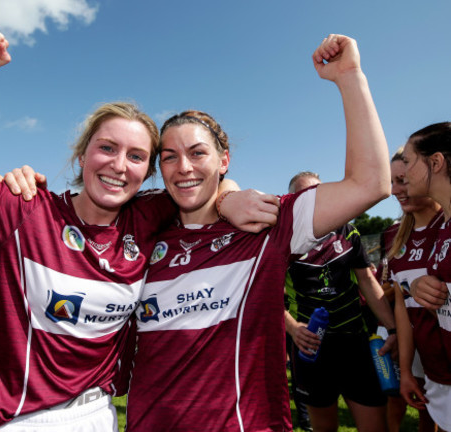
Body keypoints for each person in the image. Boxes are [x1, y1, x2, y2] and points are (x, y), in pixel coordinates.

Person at [0, 18, 277, 431]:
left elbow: (198, 182)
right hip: (18, 420)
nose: (119, 166)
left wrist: (229, 195)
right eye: (106, 148)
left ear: (148, 173)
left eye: (137, 156)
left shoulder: (149, 214)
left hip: (98, 414)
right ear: (80, 155)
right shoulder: (23, 208)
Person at [124, 33, 390, 431]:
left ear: (224, 160)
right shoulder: (139, 230)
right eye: (169, 157)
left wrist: (350, 77)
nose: (183, 167)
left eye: (198, 153)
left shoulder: (268, 221)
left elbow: (370, 184)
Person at [284, 172, 397, 432]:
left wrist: (392, 328)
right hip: (311, 347)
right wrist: (292, 328)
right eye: (304, 195)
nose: (313, 200)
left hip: (354, 343)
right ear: (293, 200)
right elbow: (268, 295)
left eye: (318, 192)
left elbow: (367, 282)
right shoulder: (283, 239)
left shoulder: (348, 231)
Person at [380, 147, 438, 432]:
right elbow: (402, 304)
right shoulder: (395, 236)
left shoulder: (445, 227)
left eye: (402, 180)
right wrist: (404, 369)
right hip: (422, 361)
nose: (394, 190)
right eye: (391, 182)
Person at [400, 122, 451, 432]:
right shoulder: (444, 223)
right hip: (441, 376)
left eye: (408, 161)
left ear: (435, 163)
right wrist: (418, 286)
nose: (403, 173)